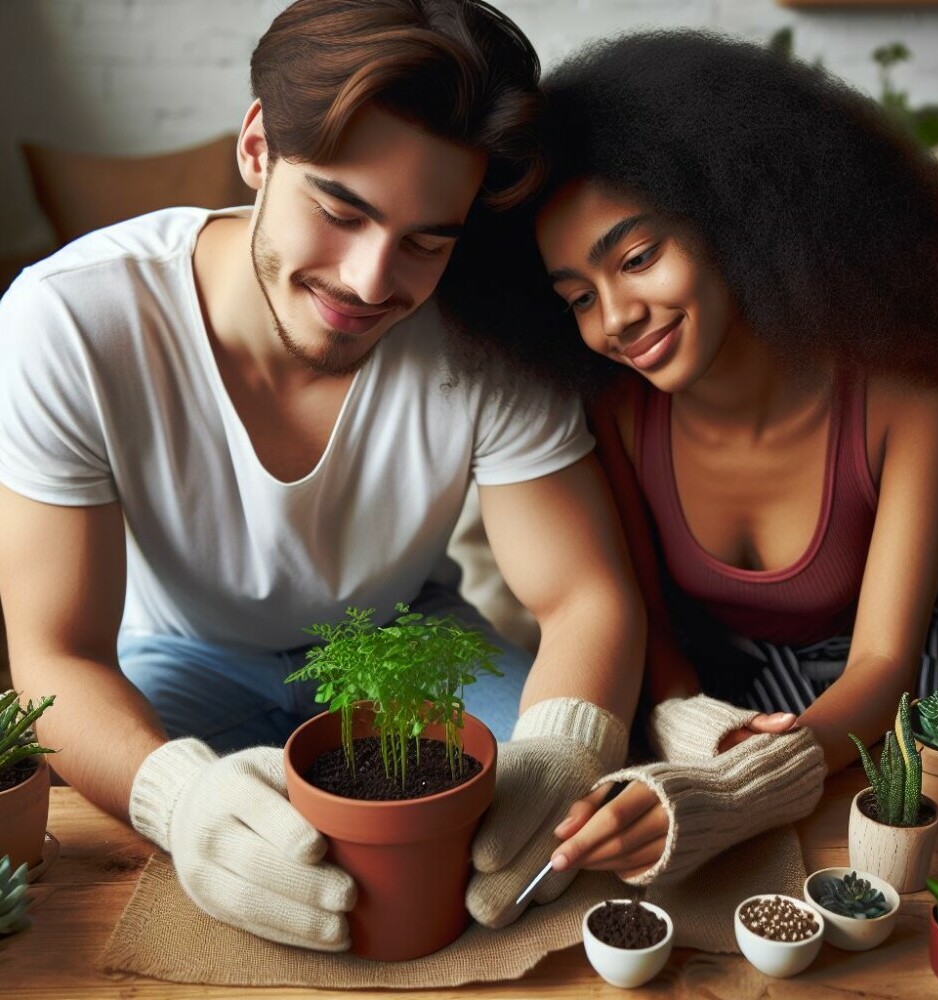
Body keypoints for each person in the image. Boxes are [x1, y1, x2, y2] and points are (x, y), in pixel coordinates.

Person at [0, 0, 649, 951]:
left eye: (429, 239)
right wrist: (184, 803)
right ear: (257, 148)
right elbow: (55, 656)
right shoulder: (71, 319)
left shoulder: (490, 333)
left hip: (409, 641)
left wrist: (563, 753)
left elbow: (588, 597)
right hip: (181, 658)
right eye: (341, 210)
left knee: (562, 829)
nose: (372, 280)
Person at [439, 29, 938, 895]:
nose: (616, 318)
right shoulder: (615, 404)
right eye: (578, 298)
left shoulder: (910, 393)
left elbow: (885, 665)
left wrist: (747, 782)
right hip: (716, 676)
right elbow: (643, 614)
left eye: (637, 258)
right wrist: (686, 719)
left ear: (739, 219)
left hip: (904, 671)